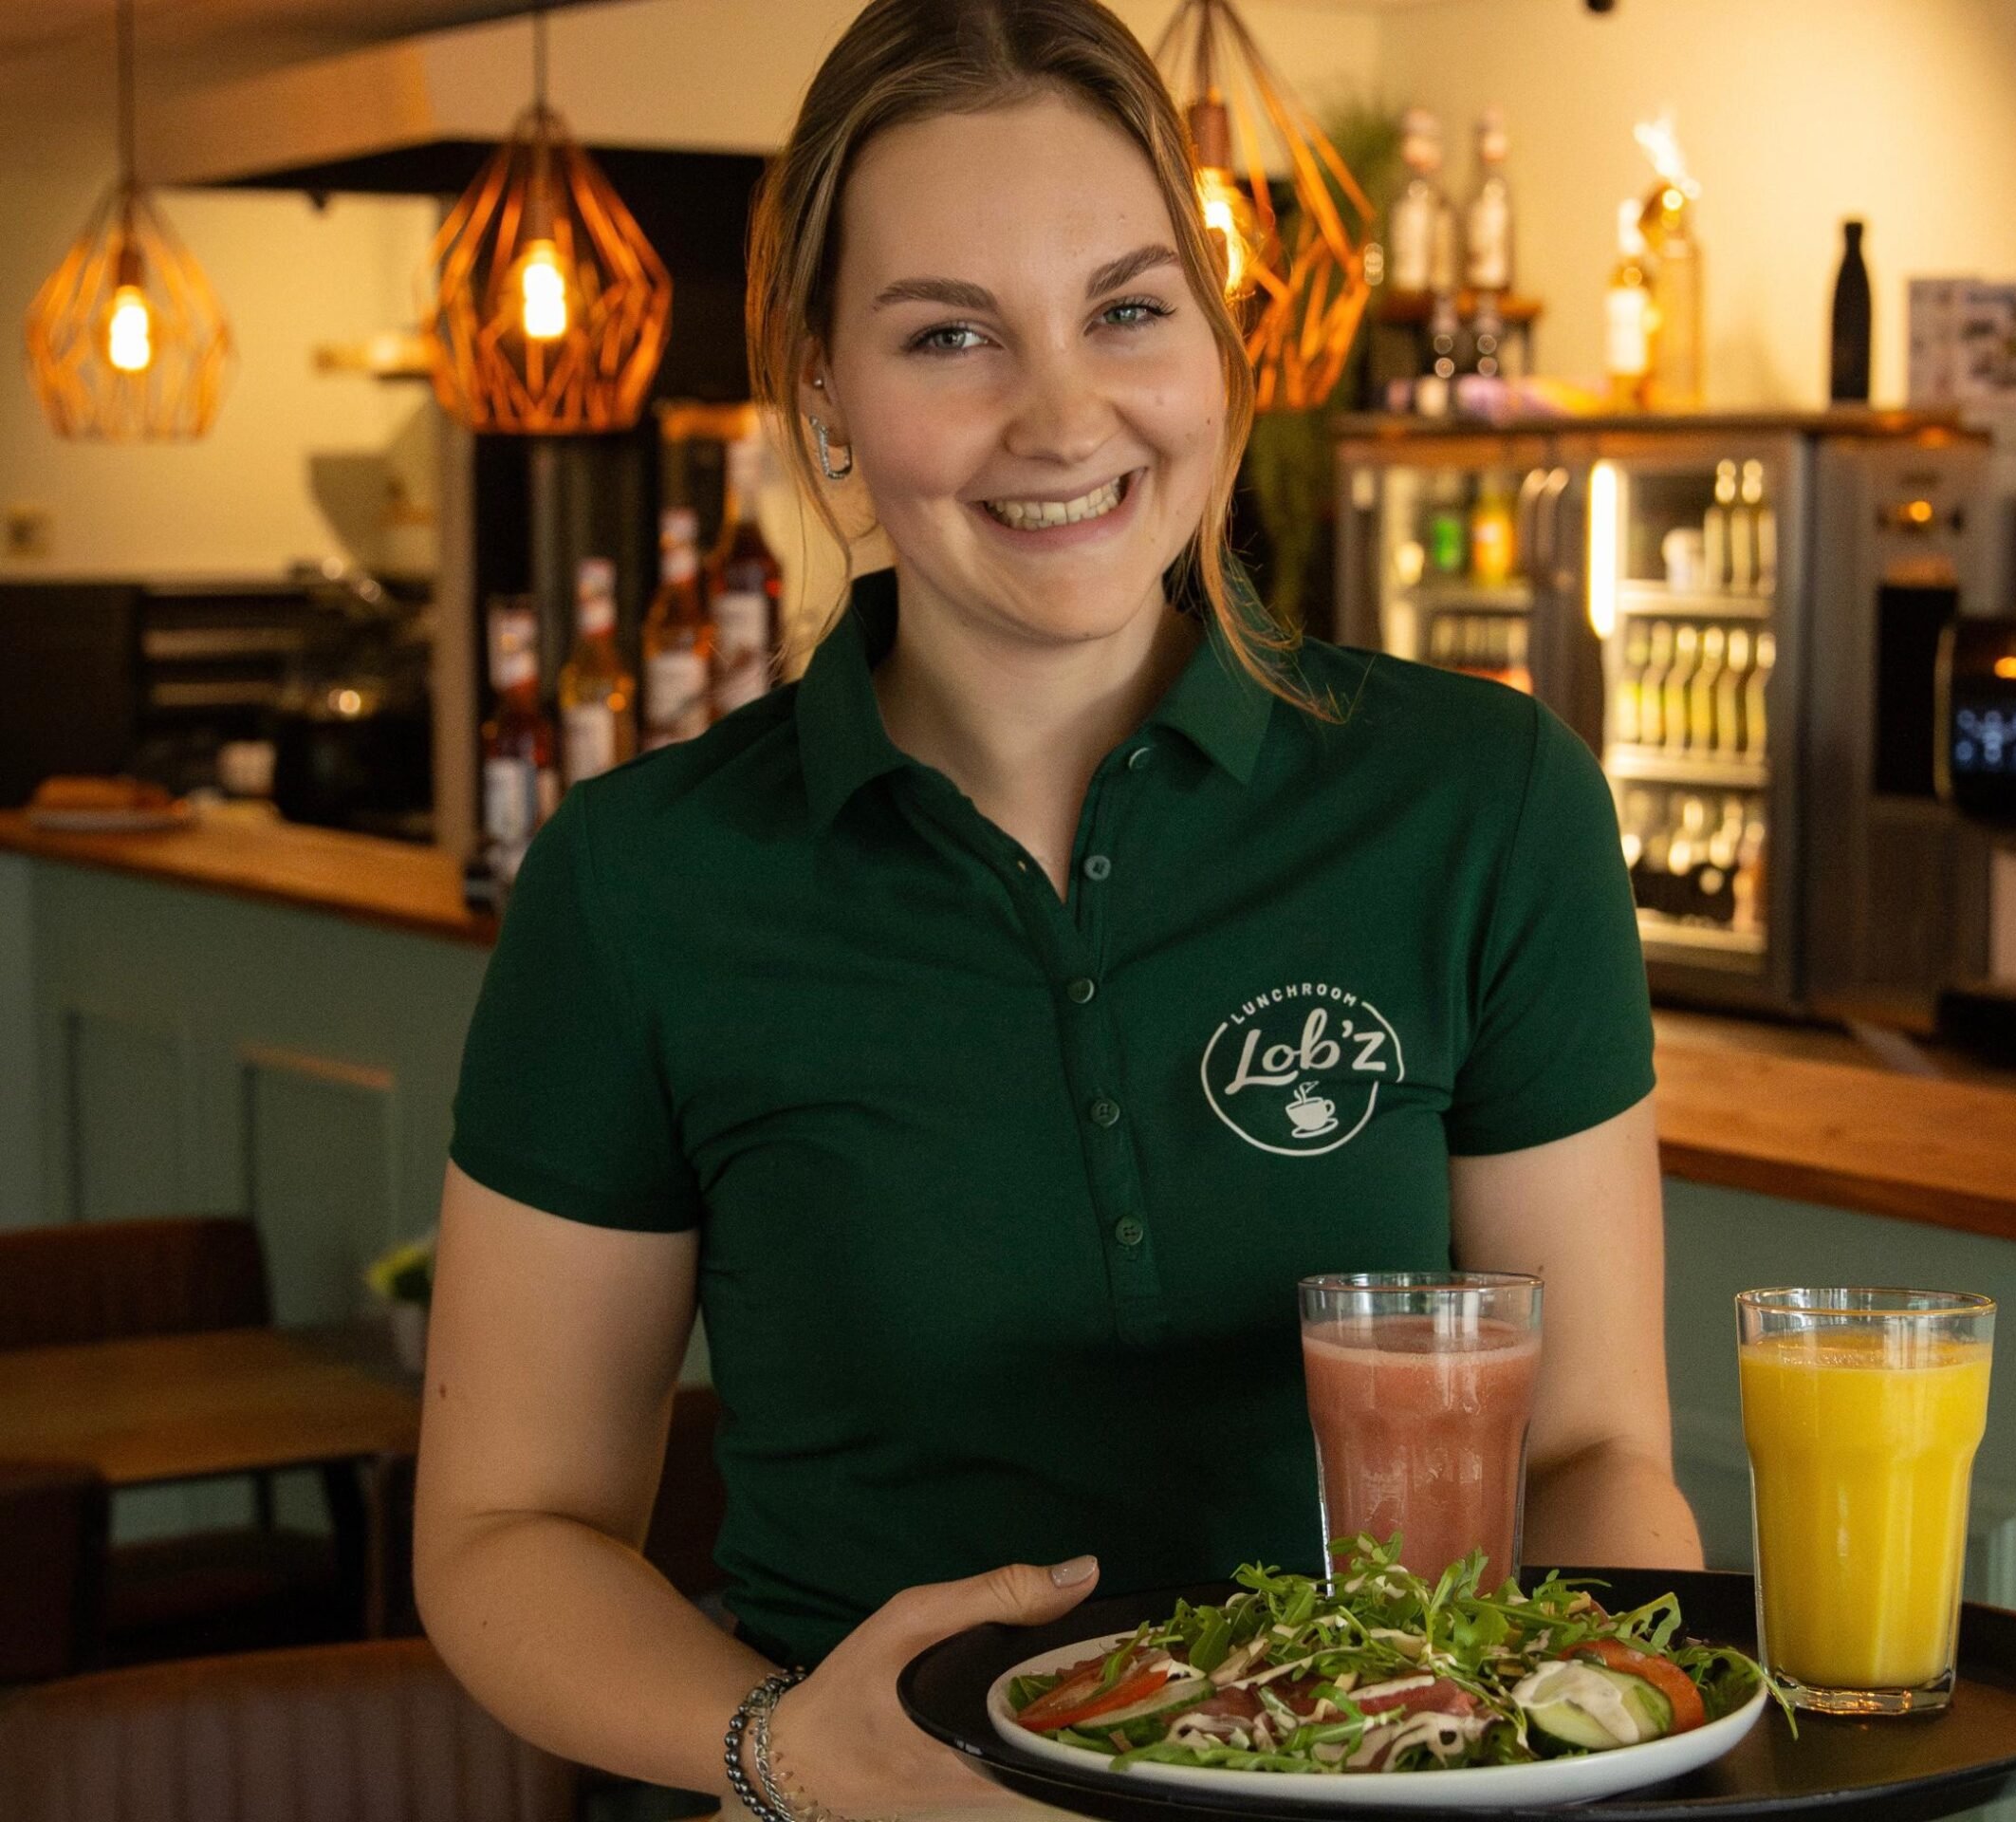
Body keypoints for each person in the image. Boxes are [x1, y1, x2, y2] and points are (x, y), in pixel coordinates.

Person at [414, 2, 1701, 1816]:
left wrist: (1541, 1759)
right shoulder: (641, 885)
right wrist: (791, 1756)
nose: (1064, 416)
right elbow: (501, 1529)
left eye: (1126, 309)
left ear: (1221, 350)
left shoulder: (1484, 804)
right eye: (951, 334)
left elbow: (1588, 1450)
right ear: (823, 400)